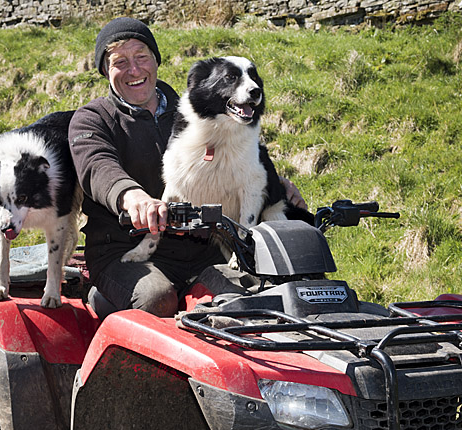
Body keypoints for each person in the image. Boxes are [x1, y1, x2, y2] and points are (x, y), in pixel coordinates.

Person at [69, 17, 304, 317]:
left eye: (141, 57)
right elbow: (97, 167)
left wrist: (276, 185)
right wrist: (132, 197)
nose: (134, 70)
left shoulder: (197, 110)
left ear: (156, 59)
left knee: (260, 301)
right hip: (122, 251)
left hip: (202, 249)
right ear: (105, 70)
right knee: (156, 298)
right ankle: (106, 305)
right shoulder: (93, 119)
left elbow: (236, 158)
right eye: (120, 62)